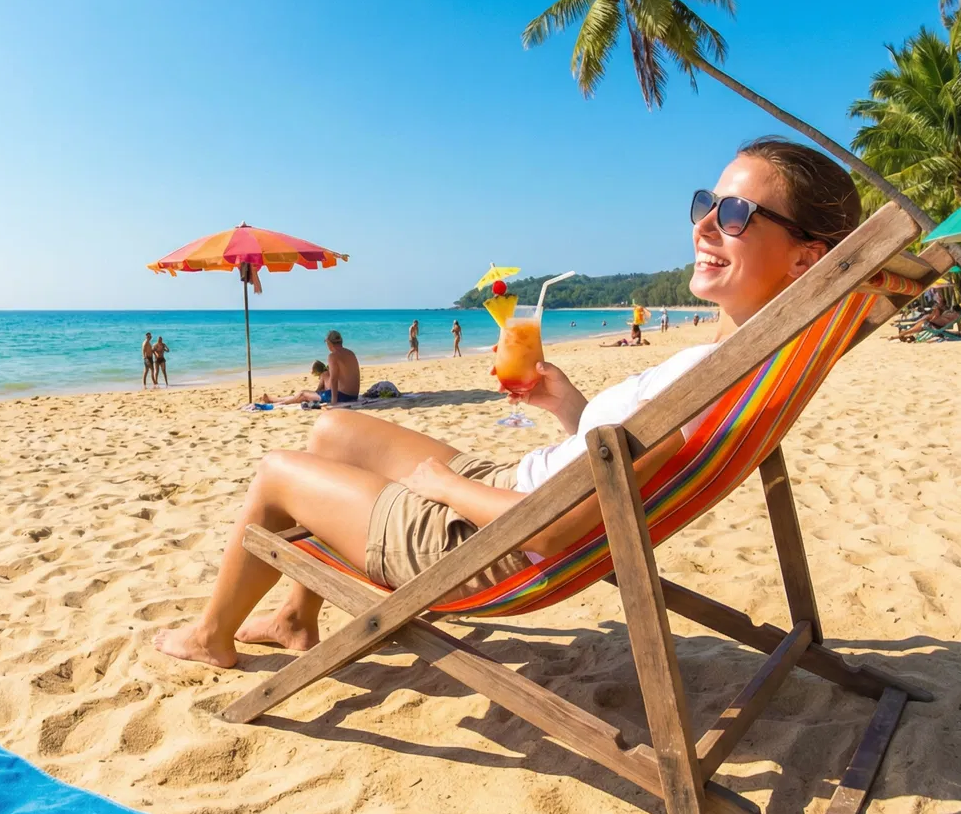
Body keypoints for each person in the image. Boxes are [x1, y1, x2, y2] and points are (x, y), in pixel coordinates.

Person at [154, 137, 860, 666]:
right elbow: (628, 463)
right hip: (519, 489)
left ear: (806, 259)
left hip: (488, 537)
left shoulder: (714, 379)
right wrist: (568, 404)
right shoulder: (731, 366)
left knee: (279, 472)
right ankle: (291, 618)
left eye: (734, 213)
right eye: (705, 204)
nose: (705, 224)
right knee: (335, 431)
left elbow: (550, 534)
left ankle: (212, 636)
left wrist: (446, 486)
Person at [260, 361, 330, 406]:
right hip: (325, 396)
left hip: (325, 397)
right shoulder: (326, 373)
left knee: (300, 395)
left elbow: (318, 391)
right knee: (297, 396)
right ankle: (272, 399)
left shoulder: (324, 375)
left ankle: (279, 402)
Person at [319, 330, 360, 404]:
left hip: (342, 397)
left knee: (303, 394)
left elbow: (334, 379)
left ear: (329, 343)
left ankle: (290, 401)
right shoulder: (351, 353)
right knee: (325, 375)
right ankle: (319, 391)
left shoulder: (333, 356)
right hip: (354, 396)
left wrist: (334, 400)